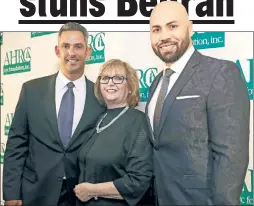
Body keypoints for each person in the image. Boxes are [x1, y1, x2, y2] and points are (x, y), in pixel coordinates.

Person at [146, 1, 250, 205]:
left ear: (190, 28)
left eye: (172, 26)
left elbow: (231, 155)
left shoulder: (220, 73)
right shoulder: (156, 82)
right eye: (156, 29)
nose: (164, 36)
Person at [3, 22, 106, 206]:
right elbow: (16, 145)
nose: (71, 53)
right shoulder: (31, 90)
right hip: (36, 192)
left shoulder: (100, 95)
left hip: (81, 195)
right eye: (66, 46)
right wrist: (11, 193)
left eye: (78, 46)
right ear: (57, 51)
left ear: (88, 52)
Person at [73, 59, 153, 206]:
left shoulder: (138, 122)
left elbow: (138, 182)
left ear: (130, 86)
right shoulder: (97, 119)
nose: (110, 83)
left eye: (118, 78)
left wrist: (92, 190)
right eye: (105, 78)